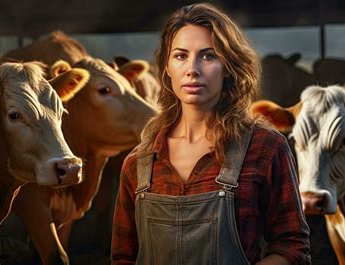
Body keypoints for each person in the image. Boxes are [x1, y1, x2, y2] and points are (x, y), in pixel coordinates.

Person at [111, 3, 311, 265]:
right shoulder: (138, 163)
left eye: (208, 56)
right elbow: (123, 257)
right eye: (180, 56)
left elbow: (293, 246)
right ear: (166, 68)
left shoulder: (266, 147)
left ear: (228, 66)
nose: (192, 69)